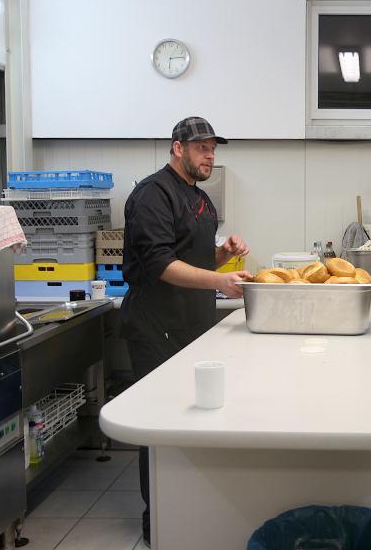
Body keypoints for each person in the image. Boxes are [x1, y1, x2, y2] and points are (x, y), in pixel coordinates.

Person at [119, 116, 252, 545]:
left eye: (213, 149)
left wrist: (222, 254)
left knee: (192, 419)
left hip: (193, 327)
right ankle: (156, 520)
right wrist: (220, 282)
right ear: (178, 148)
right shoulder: (152, 195)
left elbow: (195, 261)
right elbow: (159, 264)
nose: (209, 156)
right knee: (158, 423)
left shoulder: (201, 199)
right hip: (156, 326)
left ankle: (190, 505)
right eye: (201, 148)